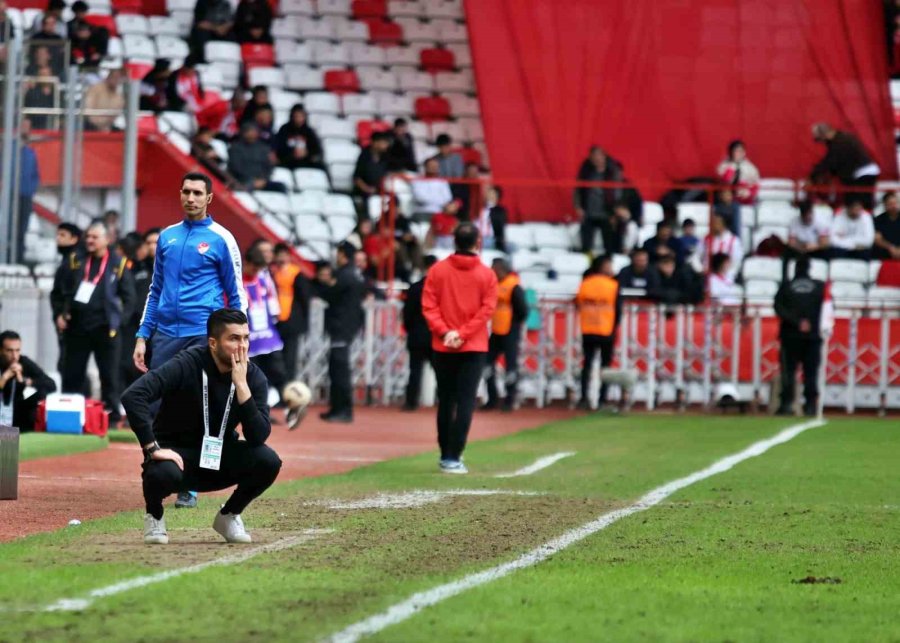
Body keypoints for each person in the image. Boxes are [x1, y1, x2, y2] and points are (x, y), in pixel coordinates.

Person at [122, 308, 282, 545]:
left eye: (246, 338)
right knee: (160, 472)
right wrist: (152, 448)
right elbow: (133, 396)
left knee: (269, 461)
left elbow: (258, 436)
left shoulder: (253, 376)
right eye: (234, 339)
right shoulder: (187, 363)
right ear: (213, 343)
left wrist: (242, 387)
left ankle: (229, 515)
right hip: (177, 457)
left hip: (219, 457)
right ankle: (154, 515)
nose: (243, 346)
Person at [134, 173, 247, 505]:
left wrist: (239, 339)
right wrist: (143, 336)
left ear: (209, 198)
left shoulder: (222, 239)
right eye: (186, 191)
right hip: (166, 336)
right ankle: (155, 473)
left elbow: (236, 294)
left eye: (198, 193)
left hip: (203, 335)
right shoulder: (167, 238)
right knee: (155, 405)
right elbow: (155, 292)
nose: (191, 198)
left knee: (198, 407)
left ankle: (191, 483)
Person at [422, 222, 498, 474]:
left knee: (446, 400)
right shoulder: (487, 275)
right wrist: (463, 334)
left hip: (443, 345)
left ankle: (445, 453)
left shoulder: (437, 271)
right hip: (473, 345)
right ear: (478, 242)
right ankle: (454, 455)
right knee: (466, 401)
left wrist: (445, 332)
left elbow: (429, 306)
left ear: (454, 241)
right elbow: (486, 311)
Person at [58, 221, 135, 424]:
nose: (90, 241)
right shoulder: (75, 260)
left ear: (106, 240)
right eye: (88, 237)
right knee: (72, 373)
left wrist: (119, 322)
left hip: (106, 328)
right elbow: (61, 291)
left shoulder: (118, 263)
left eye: (94, 237)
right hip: (78, 326)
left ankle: (111, 416)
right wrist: (61, 313)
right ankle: (70, 414)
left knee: (109, 375)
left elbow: (130, 299)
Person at [313, 242, 365, 423]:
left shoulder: (345, 275)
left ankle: (343, 409)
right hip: (348, 326)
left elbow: (331, 294)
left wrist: (321, 285)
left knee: (339, 370)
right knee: (337, 368)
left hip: (341, 327)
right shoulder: (355, 274)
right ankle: (337, 408)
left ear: (342, 255)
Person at [774, 256, 830, 416]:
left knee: (788, 372)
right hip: (813, 337)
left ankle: (786, 404)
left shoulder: (786, 287)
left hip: (790, 335)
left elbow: (778, 307)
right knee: (811, 372)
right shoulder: (820, 287)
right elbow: (827, 309)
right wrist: (812, 323)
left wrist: (797, 322)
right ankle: (811, 405)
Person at [575, 255, 620, 410]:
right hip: (606, 329)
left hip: (588, 328)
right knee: (605, 365)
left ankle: (583, 397)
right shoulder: (613, 285)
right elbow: (618, 309)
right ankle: (602, 399)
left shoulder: (585, 283)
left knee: (587, 364)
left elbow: (579, 302)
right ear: (602, 267)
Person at [242, 243, 286, 397]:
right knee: (253, 372)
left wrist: (276, 317)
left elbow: (272, 299)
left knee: (276, 369)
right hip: (249, 335)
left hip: (268, 331)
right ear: (246, 263)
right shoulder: (236, 281)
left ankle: (281, 399)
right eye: (254, 268)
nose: (256, 272)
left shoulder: (263, 278)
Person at [483, 258, 527, 412]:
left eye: (494, 268)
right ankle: (492, 398)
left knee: (511, 367)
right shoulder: (494, 286)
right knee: (486, 365)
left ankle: (510, 399)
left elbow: (523, 311)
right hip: (496, 331)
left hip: (510, 331)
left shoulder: (514, 286)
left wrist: (514, 324)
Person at [810, 122, 880, 209]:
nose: (820, 142)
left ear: (824, 134)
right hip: (865, 170)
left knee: (855, 202)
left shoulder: (839, 142)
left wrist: (814, 175)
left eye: (819, 139)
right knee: (861, 200)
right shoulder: (842, 138)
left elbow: (831, 162)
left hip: (862, 172)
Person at [271, 243, 312, 382]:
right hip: (275, 320)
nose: (281, 257)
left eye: (284, 254)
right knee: (275, 355)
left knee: (290, 356)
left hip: (291, 320)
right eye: (279, 254)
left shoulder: (297, 273)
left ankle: (288, 385)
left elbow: (304, 298)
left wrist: (303, 321)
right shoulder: (271, 273)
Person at [0, 330, 56, 431]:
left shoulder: (23, 362)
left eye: (17, 350)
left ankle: (26, 434)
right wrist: (5, 377)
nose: (14, 355)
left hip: (15, 413)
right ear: (1, 350)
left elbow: (51, 384)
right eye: (9, 350)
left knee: (41, 394)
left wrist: (27, 381)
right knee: (7, 444)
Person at [402, 255, 437, 411]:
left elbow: (407, 313)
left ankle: (411, 402)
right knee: (442, 371)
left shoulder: (415, 288)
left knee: (415, 370)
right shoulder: (441, 288)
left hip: (417, 334)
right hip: (436, 334)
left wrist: (410, 328)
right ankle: (445, 400)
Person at [575, 146, 622, 253]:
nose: (597, 159)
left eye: (599, 156)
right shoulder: (585, 172)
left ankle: (607, 263)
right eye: (594, 156)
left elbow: (618, 193)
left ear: (604, 156)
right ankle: (587, 262)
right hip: (589, 212)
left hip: (607, 212)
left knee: (609, 244)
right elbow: (577, 190)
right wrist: (578, 207)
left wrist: (615, 211)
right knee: (586, 244)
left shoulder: (612, 172)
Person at [227, 123, 287, 192]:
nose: (251, 133)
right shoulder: (235, 148)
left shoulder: (264, 148)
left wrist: (263, 179)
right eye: (249, 131)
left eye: (254, 131)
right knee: (247, 185)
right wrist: (253, 180)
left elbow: (269, 166)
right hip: (242, 180)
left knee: (281, 187)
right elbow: (236, 168)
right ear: (243, 132)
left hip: (262, 181)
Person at [12, 121, 39, 262]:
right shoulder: (10, 150)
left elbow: (35, 173)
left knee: (22, 228)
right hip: (12, 196)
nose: (25, 129)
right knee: (11, 227)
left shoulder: (30, 152)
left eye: (28, 126)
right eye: (23, 126)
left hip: (26, 195)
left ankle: (18, 257)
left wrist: (32, 188)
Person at [273, 104, 325, 171]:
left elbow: (317, 151)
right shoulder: (284, 129)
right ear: (292, 116)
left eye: (301, 116)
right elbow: (279, 148)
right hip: (288, 162)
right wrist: (292, 153)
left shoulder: (309, 132)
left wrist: (306, 153)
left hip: (305, 162)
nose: (299, 119)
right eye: (296, 116)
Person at [699, 212, 743, 281]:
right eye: (713, 222)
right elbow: (696, 257)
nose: (714, 225)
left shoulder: (734, 241)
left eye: (717, 222)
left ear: (724, 224)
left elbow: (736, 263)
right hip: (705, 277)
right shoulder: (706, 239)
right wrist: (701, 269)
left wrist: (726, 276)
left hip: (726, 279)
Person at [716, 140, 760, 205]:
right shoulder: (724, 165)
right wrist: (733, 166)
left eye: (740, 151)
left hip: (744, 198)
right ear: (731, 153)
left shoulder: (750, 168)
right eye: (735, 151)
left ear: (744, 152)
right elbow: (725, 180)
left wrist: (749, 192)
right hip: (727, 198)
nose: (738, 153)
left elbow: (755, 185)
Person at [353, 131, 391, 199]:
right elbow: (357, 178)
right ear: (375, 143)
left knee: (394, 198)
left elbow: (386, 174)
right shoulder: (364, 156)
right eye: (384, 143)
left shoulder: (385, 156)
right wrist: (367, 189)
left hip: (378, 189)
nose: (386, 145)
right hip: (364, 190)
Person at [477, 185, 508, 252]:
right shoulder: (480, 209)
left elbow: (500, 228)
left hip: (492, 239)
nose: (490, 196)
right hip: (479, 238)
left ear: (497, 196)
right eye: (489, 193)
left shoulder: (500, 211)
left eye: (493, 194)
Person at [874, 192, 900, 260]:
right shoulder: (878, 219)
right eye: (890, 204)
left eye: (895, 203)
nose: (894, 206)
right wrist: (891, 248)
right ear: (885, 205)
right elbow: (877, 239)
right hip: (886, 250)